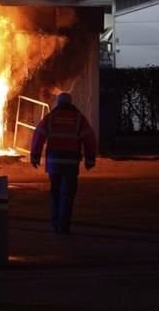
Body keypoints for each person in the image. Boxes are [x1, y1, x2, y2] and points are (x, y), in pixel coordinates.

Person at [30, 92, 97, 235]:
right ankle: (64, 226)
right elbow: (89, 138)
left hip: (54, 163)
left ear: (58, 103)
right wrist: (90, 159)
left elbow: (38, 135)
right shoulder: (79, 119)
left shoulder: (51, 118)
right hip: (71, 164)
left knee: (55, 193)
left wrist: (35, 156)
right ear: (70, 103)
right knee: (68, 195)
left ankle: (55, 224)